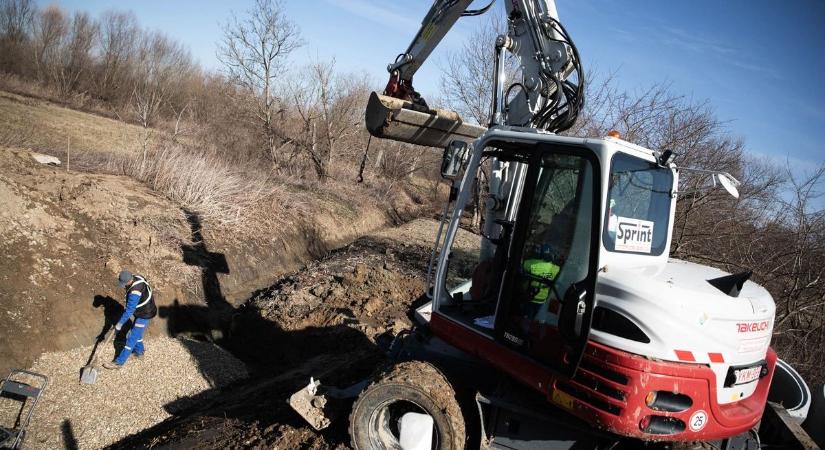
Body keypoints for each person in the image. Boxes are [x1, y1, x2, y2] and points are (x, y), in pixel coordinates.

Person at [103, 270, 157, 369]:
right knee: (137, 333)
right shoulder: (137, 277)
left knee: (131, 337)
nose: (123, 286)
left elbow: (129, 311)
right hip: (144, 309)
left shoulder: (135, 292)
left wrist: (119, 324)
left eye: (124, 284)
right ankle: (139, 352)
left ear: (129, 281)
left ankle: (118, 362)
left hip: (145, 314)